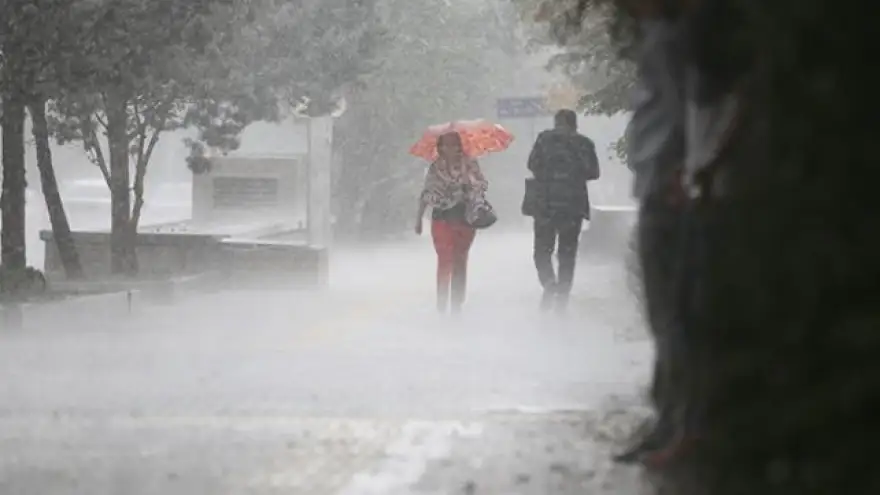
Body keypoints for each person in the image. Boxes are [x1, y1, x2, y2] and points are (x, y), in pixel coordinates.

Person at [524, 109, 600, 312]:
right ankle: (563, 297)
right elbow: (594, 173)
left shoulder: (543, 139)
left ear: (556, 122)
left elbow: (531, 164)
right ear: (575, 123)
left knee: (542, 251)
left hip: (545, 205)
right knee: (567, 253)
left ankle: (549, 283)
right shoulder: (584, 143)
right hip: (573, 206)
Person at [415, 132, 488, 314]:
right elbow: (426, 193)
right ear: (439, 147)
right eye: (445, 145)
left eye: (454, 145)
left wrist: (467, 186)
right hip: (442, 218)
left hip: (465, 219)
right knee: (444, 259)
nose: (450, 149)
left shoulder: (470, 164)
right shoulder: (435, 168)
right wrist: (419, 218)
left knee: (460, 260)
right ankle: (441, 301)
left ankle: (457, 302)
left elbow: (481, 186)